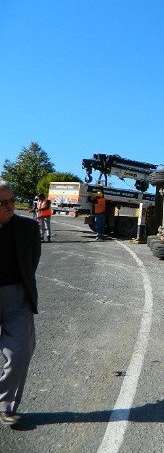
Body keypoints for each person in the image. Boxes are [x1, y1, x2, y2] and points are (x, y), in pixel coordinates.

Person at [0, 181, 41, 427]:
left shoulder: (28, 227)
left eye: (12, 201)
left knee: (19, 353)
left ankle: (6, 406)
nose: (10, 207)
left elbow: (33, 261)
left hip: (17, 298)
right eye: (3, 203)